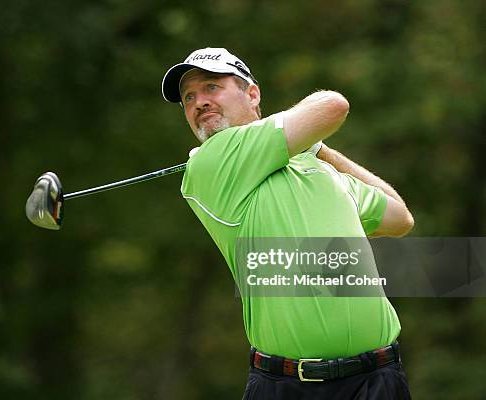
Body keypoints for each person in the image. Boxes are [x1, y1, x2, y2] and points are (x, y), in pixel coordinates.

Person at [161, 48, 414, 399]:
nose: (199, 102)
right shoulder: (212, 160)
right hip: (286, 386)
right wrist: (309, 138)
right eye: (189, 97)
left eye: (211, 87)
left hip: (377, 379)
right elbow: (332, 105)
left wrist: (320, 151)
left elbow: (400, 217)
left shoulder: (320, 170)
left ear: (252, 94)